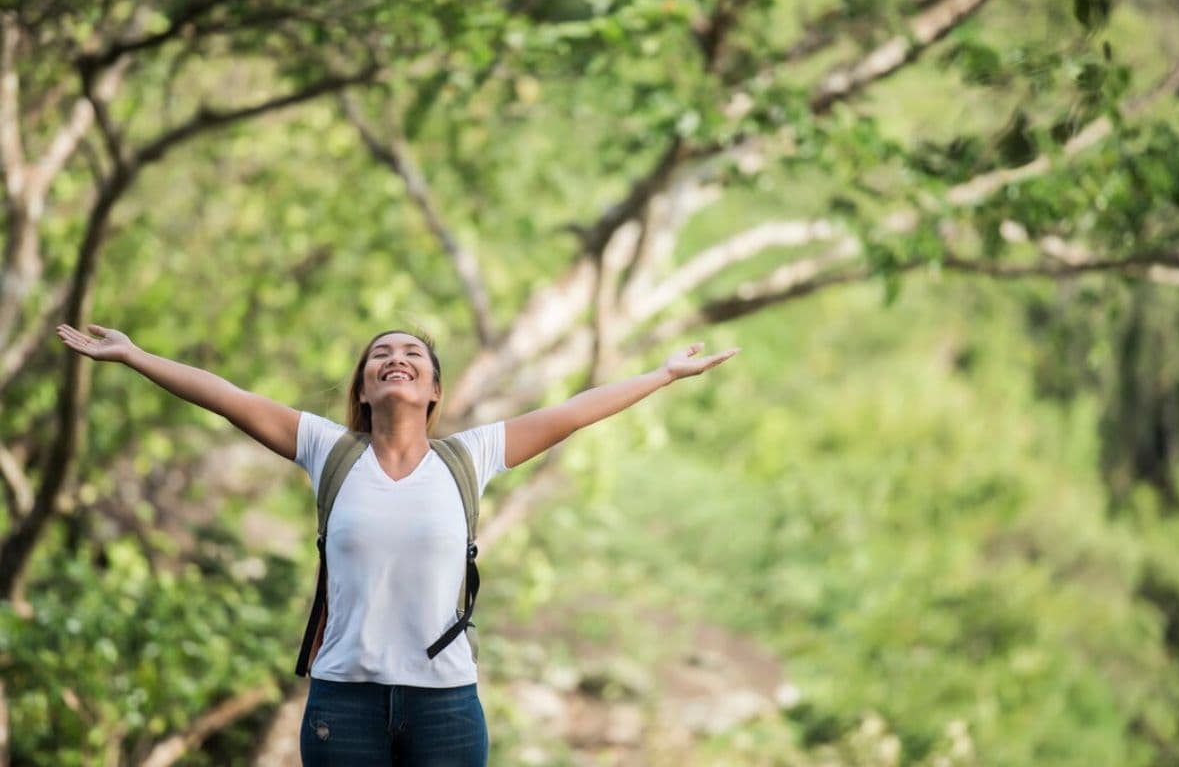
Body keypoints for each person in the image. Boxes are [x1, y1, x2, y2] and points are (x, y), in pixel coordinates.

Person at [55, 321, 739, 766]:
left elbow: (571, 413)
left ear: (434, 389)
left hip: (445, 705)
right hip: (344, 703)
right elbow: (227, 397)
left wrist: (662, 376)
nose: (396, 359)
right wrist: (135, 355)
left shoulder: (471, 457)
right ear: (363, 385)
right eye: (380, 354)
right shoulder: (329, 450)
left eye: (412, 354)